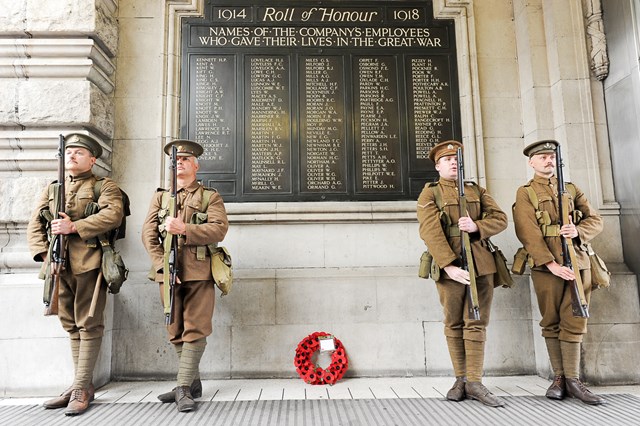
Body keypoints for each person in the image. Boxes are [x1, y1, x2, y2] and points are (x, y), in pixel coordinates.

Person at [27, 133, 124, 416]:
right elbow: (35, 225)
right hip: (58, 266)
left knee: (89, 323)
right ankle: (79, 384)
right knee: (69, 324)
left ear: (92, 160)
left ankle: (82, 388)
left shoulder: (103, 186)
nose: (72, 156)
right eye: (69, 152)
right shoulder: (53, 188)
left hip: (89, 263)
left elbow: (112, 215)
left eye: (79, 153)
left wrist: (74, 227)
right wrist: (45, 255)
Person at [513, 139, 605, 405]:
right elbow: (527, 231)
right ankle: (559, 378)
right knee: (551, 320)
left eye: (551, 156)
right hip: (547, 266)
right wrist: (551, 264)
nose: (548, 160)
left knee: (575, 319)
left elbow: (595, 220)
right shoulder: (526, 192)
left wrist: (579, 231)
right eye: (541, 157)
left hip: (578, 262)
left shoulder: (571, 188)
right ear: (531, 162)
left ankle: (573, 380)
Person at [417, 140, 508, 407]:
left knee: (477, 322)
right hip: (450, 269)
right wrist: (448, 266)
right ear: (438, 165)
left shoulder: (475, 189)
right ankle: (460, 379)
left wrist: (477, 225)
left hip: (481, 265)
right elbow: (430, 232)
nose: (453, 163)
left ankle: (475, 382)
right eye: (447, 160)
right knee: (454, 323)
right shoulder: (430, 194)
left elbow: (500, 218)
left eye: (457, 159)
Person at [141, 140, 229, 412]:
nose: (179, 163)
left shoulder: (208, 196)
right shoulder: (160, 197)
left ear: (196, 165)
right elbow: (148, 234)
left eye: (185, 159)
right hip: (167, 273)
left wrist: (185, 228)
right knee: (174, 328)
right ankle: (192, 383)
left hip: (199, 272)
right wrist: (161, 265)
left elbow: (219, 229)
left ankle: (181, 387)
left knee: (195, 327)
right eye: (175, 160)